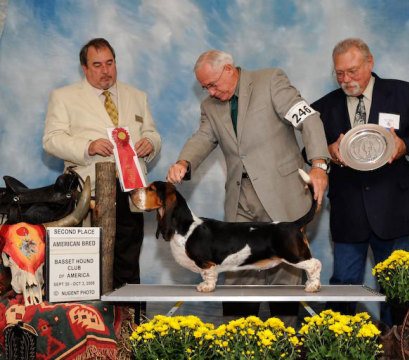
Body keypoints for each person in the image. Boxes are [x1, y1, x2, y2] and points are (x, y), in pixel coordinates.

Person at [166, 49, 330, 327]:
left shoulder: (271, 81)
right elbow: (204, 137)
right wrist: (184, 161)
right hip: (240, 199)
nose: (211, 92)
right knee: (236, 277)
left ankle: (284, 343)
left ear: (229, 69)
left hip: (282, 195)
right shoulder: (210, 106)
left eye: (213, 84)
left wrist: (318, 163)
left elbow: (309, 118)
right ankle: (239, 343)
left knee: (285, 274)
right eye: (205, 87)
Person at [311, 38, 409, 324]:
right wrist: (328, 152)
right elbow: (308, 152)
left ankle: (397, 346)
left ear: (370, 63)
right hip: (348, 211)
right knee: (343, 284)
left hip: (395, 207)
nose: (346, 80)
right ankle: (340, 346)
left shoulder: (404, 93)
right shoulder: (322, 107)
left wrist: (403, 145)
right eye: (340, 73)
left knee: (396, 287)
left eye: (353, 71)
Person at [43, 38, 162, 288]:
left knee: (128, 258)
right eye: (97, 65)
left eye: (110, 63)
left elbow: (152, 133)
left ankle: (130, 319)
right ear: (84, 69)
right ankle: (93, 318)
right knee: (88, 261)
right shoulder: (63, 97)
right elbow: (51, 141)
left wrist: (151, 144)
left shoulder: (137, 95)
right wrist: (87, 146)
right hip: (89, 191)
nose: (105, 70)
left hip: (131, 190)